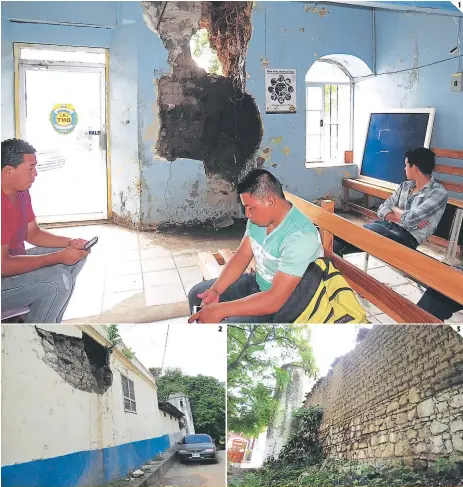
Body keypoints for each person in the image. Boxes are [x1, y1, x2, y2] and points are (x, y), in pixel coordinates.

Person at [187, 169, 323, 323]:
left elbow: (274, 300)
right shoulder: (259, 220)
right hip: (259, 284)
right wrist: (215, 290)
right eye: (245, 207)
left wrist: (221, 310)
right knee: (196, 295)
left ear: (270, 201)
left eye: (250, 208)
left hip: (288, 304)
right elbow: (241, 256)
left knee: (226, 327)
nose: (247, 214)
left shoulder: (300, 237)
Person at [1, 138, 89, 323]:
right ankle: (38, 333)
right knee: (57, 282)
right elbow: (4, 265)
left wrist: (69, 243)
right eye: (30, 168)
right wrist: (57, 257)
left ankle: (40, 316)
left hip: (13, 265)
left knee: (77, 255)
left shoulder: (21, 192)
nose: (35, 174)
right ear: (8, 170)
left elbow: (32, 233)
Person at [334, 148, 448, 256]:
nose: (404, 169)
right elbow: (382, 209)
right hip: (387, 227)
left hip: (407, 238)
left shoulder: (438, 192)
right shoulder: (405, 186)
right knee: (341, 238)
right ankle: (332, 268)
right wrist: (403, 216)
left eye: (406, 165)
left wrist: (394, 209)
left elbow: (410, 218)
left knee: (345, 239)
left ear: (415, 168)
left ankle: (331, 268)